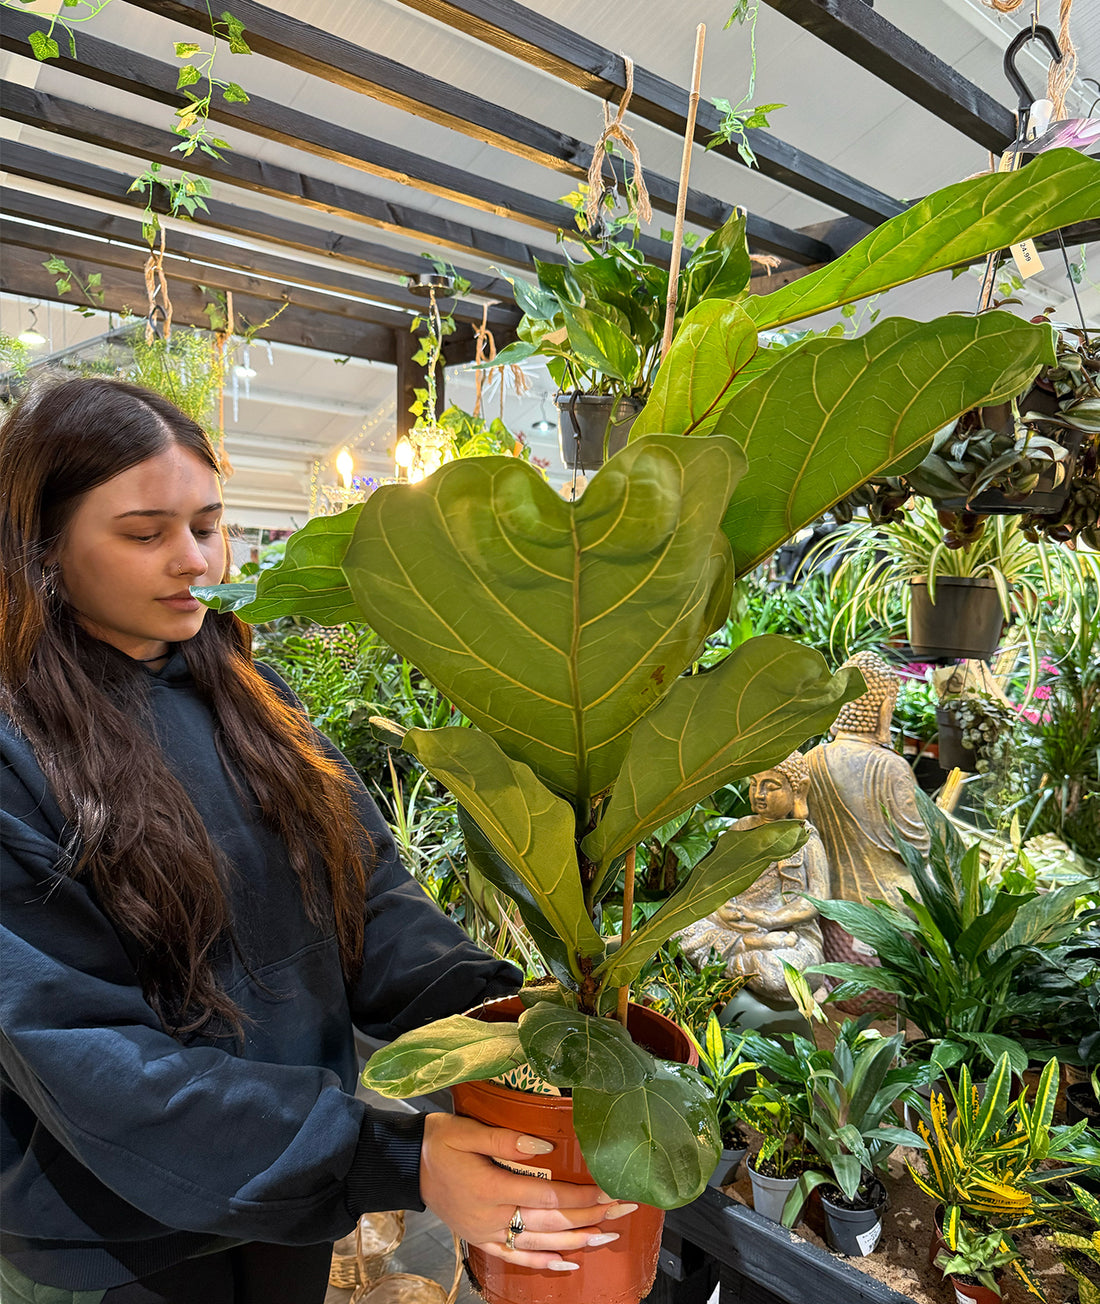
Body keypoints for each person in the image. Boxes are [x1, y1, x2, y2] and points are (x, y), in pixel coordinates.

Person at [0, 378, 634, 1301]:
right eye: (146, 534)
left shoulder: (255, 705)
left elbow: (369, 901)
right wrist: (392, 1155)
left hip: (282, 1199)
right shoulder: (19, 753)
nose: (197, 563)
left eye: (208, 525)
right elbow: (83, 1054)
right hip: (110, 1229)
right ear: (42, 549)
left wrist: (509, 1020)